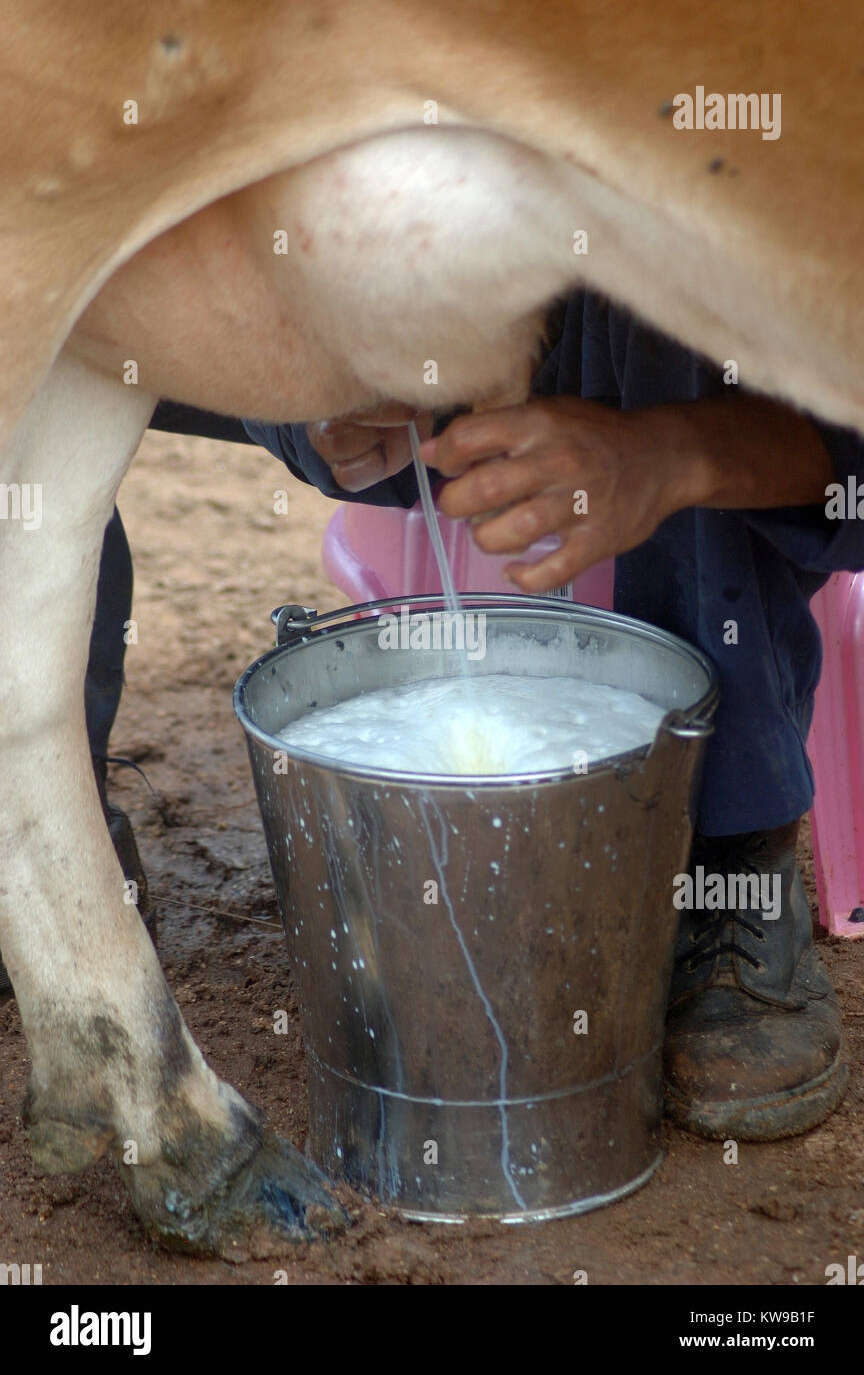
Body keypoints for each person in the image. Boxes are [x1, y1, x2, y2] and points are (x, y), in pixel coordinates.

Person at [27, 291, 863, 1145]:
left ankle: (725, 854)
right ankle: (43, 839)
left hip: (692, 356)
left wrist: (677, 452)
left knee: (682, 313)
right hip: (423, 334)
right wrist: (311, 398)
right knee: (44, 302)